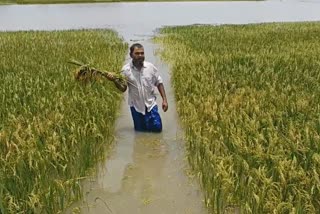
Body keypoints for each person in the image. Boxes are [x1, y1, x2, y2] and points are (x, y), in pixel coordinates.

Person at [105, 43, 168, 132]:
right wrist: (114, 80)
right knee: (140, 132)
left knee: (157, 130)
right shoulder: (126, 70)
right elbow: (123, 88)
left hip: (151, 105)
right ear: (131, 55)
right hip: (136, 107)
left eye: (142, 53)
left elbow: (159, 83)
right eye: (137, 53)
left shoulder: (150, 67)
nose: (140, 55)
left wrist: (164, 100)